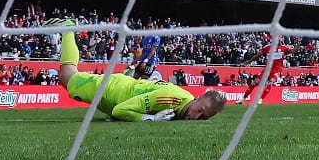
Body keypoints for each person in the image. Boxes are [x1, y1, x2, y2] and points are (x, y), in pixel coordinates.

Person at [49, 20, 224, 121]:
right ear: (198, 98)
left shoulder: (184, 104)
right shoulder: (169, 97)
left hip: (125, 87)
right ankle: (68, 28)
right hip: (110, 89)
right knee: (66, 76)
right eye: (200, 110)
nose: (196, 117)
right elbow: (120, 110)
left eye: (203, 117)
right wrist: (150, 119)